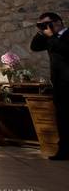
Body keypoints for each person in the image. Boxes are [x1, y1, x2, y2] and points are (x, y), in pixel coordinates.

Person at [30, 11, 69, 160]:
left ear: (58, 22)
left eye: (47, 24)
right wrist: (41, 33)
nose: (44, 27)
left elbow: (65, 49)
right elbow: (34, 47)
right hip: (59, 85)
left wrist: (51, 36)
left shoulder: (66, 36)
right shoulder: (50, 38)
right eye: (41, 25)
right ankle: (64, 151)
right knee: (63, 119)